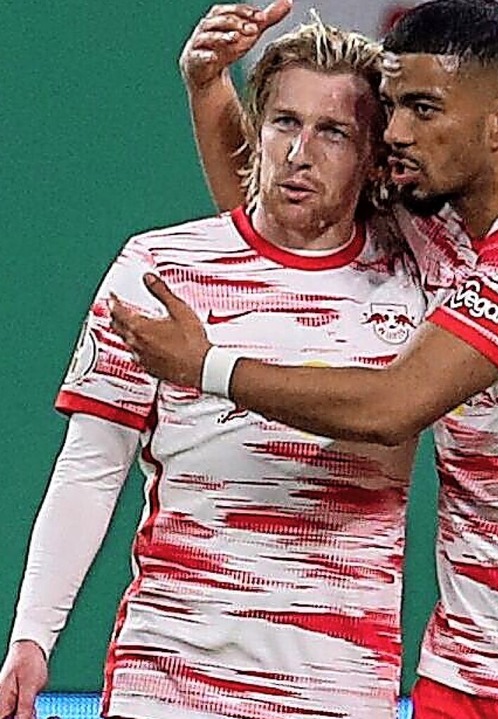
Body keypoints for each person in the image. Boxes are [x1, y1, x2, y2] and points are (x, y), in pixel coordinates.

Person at [109, 1, 498, 717]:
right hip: (458, 667)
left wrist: (207, 365)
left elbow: (392, 407)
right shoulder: (437, 219)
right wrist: (210, 86)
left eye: (424, 110)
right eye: (391, 108)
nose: (395, 134)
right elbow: (285, 206)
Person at [0, 15, 428, 719]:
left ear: (374, 156)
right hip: (166, 681)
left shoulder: (417, 287)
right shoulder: (159, 268)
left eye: (333, 132)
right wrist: (33, 636)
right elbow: (91, 466)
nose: (299, 152)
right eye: (284, 121)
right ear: (255, 129)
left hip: (339, 691)